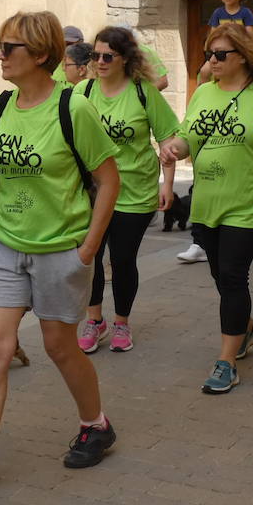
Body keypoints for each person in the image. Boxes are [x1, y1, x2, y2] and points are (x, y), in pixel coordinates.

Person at [0, 12, 120, 502]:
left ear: (40, 54)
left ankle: (95, 425)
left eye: (9, 47)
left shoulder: (72, 109)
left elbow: (108, 181)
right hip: (5, 246)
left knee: (61, 347)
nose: (0, 54)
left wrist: (88, 247)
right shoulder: (1, 107)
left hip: (61, 248)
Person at [161, 24, 253, 394]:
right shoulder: (204, 94)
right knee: (218, 273)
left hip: (250, 200)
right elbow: (189, 135)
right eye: (209, 54)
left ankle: (225, 362)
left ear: (243, 55)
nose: (212, 61)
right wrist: (174, 148)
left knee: (231, 274)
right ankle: (245, 327)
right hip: (209, 200)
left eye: (220, 54)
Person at [77, 27, 180, 353]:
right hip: (92, 193)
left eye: (108, 56)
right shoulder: (83, 91)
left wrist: (168, 183)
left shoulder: (142, 93)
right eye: (95, 55)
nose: (100, 61)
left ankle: (121, 322)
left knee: (122, 259)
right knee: (90, 257)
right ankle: (95, 320)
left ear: (125, 58)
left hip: (135, 190)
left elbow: (168, 137)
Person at [196, 0, 253, 85]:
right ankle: (202, 94)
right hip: (220, 53)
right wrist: (209, 51)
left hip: (240, 52)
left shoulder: (245, 13)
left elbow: (250, 36)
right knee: (204, 71)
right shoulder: (218, 13)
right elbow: (212, 35)